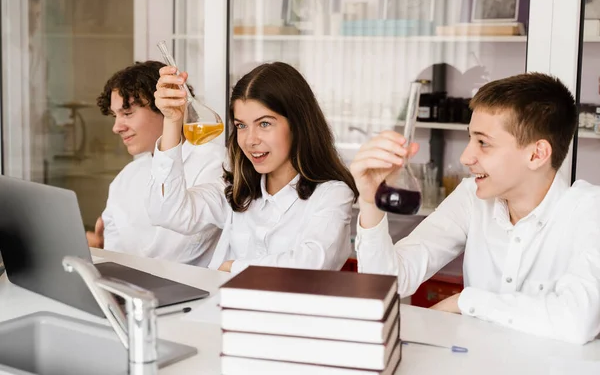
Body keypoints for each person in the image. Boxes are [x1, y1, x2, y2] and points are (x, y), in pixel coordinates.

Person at [351, 72, 600, 344]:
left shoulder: (589, 210)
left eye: (483, 143)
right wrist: (369, 200)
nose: (465, 157)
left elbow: (576, 322)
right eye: (470, 138)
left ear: (536, 154)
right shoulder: (473, 197)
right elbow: (390, 282)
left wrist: (466, 302)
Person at [147, 61, 358, 274]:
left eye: (264, 124)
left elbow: (313, 262)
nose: (250, 140)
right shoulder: (235, 189)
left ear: (298, 124)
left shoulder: (332, 193)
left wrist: (234, 268)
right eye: (241, 126)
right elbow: (167, 212)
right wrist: (173, 121)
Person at [86, 61, 226, 267]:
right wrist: (99, 250)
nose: (117, 127)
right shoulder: (126, 177)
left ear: (166, 105)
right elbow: (115, 254)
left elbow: (177, 254)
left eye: (127, 113)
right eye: (115, 116)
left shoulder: (215, 164)